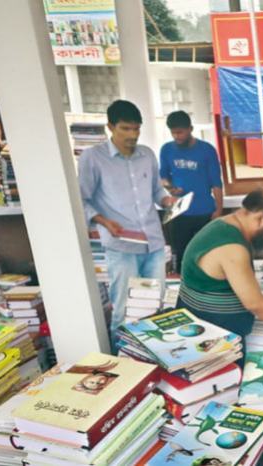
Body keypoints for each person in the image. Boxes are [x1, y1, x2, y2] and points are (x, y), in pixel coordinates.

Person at [78, 100, 178, 343]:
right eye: (125, 129)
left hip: (153, 243)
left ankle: (152, 357)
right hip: (121, 246)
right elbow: (81, 200)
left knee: (155, 305)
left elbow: (156, 192)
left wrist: (168, 201)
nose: (132, 135)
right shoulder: (93, 158)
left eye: (136, 129)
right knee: (124, 308)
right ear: (110, 126)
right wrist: (103, 221)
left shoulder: (147, 155)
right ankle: (121, 362)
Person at [177, 186, 263, 358]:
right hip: (210, 345)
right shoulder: (232, 247)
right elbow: (254, 304)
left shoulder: (224, 225)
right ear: (261, 218)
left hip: (207, 332)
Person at [160, 110, 224, 272]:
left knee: (209, 255)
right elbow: (163, 176)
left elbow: (216, 181)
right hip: (179, 212)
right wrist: (170, 187)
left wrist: (219, 209)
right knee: (181, 256)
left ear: (190, 129)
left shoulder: (207, 150)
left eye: (180, 132)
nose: (177, 136)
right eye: (173, 133)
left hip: (205, 211)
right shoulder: (166, 149)